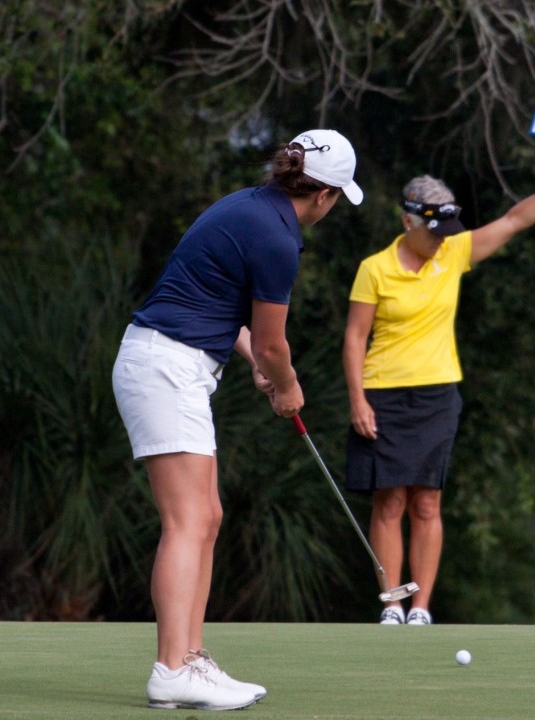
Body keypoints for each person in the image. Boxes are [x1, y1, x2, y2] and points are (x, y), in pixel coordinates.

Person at [112, 129, 362, 710]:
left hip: (173, 363)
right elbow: (275, 343)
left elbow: (222, 307)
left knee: (207, 516)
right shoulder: (279, 238)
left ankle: (189, 662)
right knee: (188, 520)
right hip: (166, 367)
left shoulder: (247, 205)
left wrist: (252, 359)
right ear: (323, 196)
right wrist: (286, 388)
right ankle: (172, 667)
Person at [343, 153, 535, 625]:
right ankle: (391, 602)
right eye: (432, 232)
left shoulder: (453, 255)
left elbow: (515, 220)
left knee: (427, 501)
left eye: (444, 233)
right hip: (383, 394)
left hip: (437, 394)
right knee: (389, 500)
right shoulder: (374, 269)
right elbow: (354, 338)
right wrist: (357, 400)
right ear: (407, 220)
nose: (439, 242)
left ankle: (421, 608)